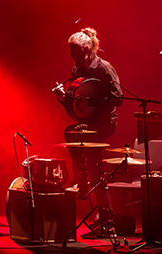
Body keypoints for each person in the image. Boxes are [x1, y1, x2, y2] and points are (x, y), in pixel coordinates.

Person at [54, 27, 122, 238]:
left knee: (96, 170)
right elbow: (76, 102)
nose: (70, 55)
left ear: (86, 49)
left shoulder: (104, 68)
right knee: (70, 133)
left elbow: (118, 98)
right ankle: (80, 175)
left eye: (73, 50)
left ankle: (106, 221)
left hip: (103, 123)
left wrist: (94, 103)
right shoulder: (76, 70)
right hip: (87, 123)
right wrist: (64, 96)